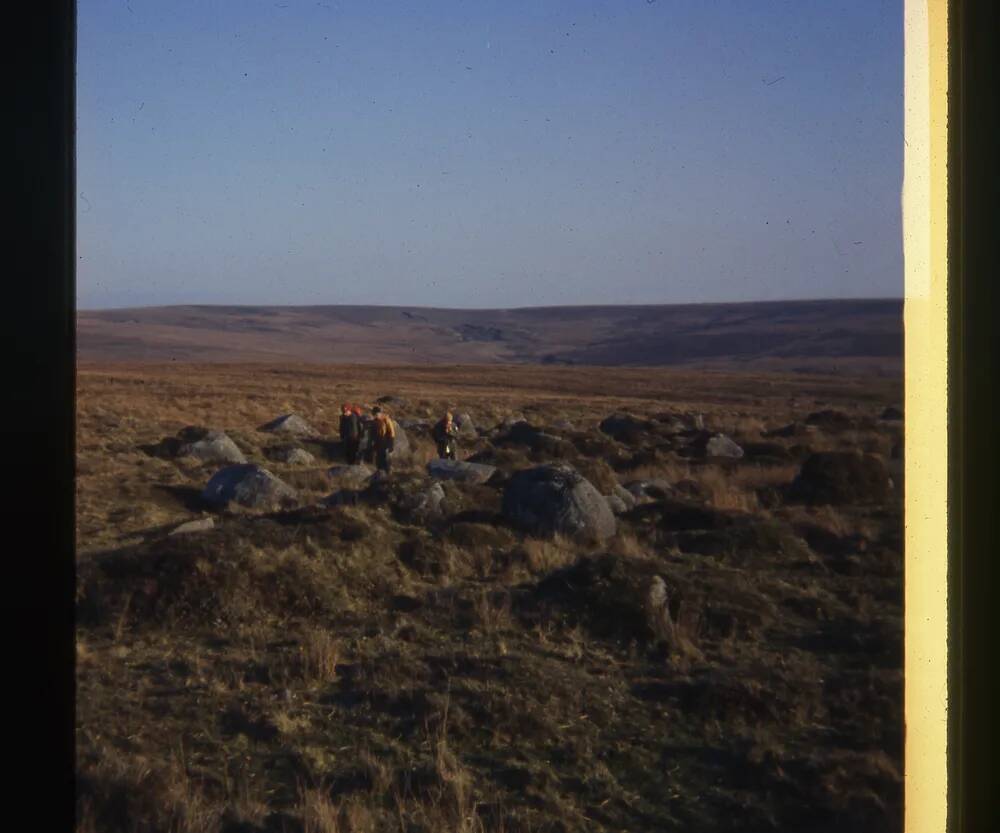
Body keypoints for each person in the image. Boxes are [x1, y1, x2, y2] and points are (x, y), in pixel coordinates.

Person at [371, 406, 396, 474]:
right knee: (379, 460)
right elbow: (373, 434)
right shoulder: (374, 421)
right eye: (374, 414)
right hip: (378, 443)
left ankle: (388, 474)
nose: (375, 416)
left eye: (376, 414)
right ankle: (380, 474)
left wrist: (390, 446)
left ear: (380, 413)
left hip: (385, 442)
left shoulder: (386, 420)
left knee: (386, 460)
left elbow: (391, 433)